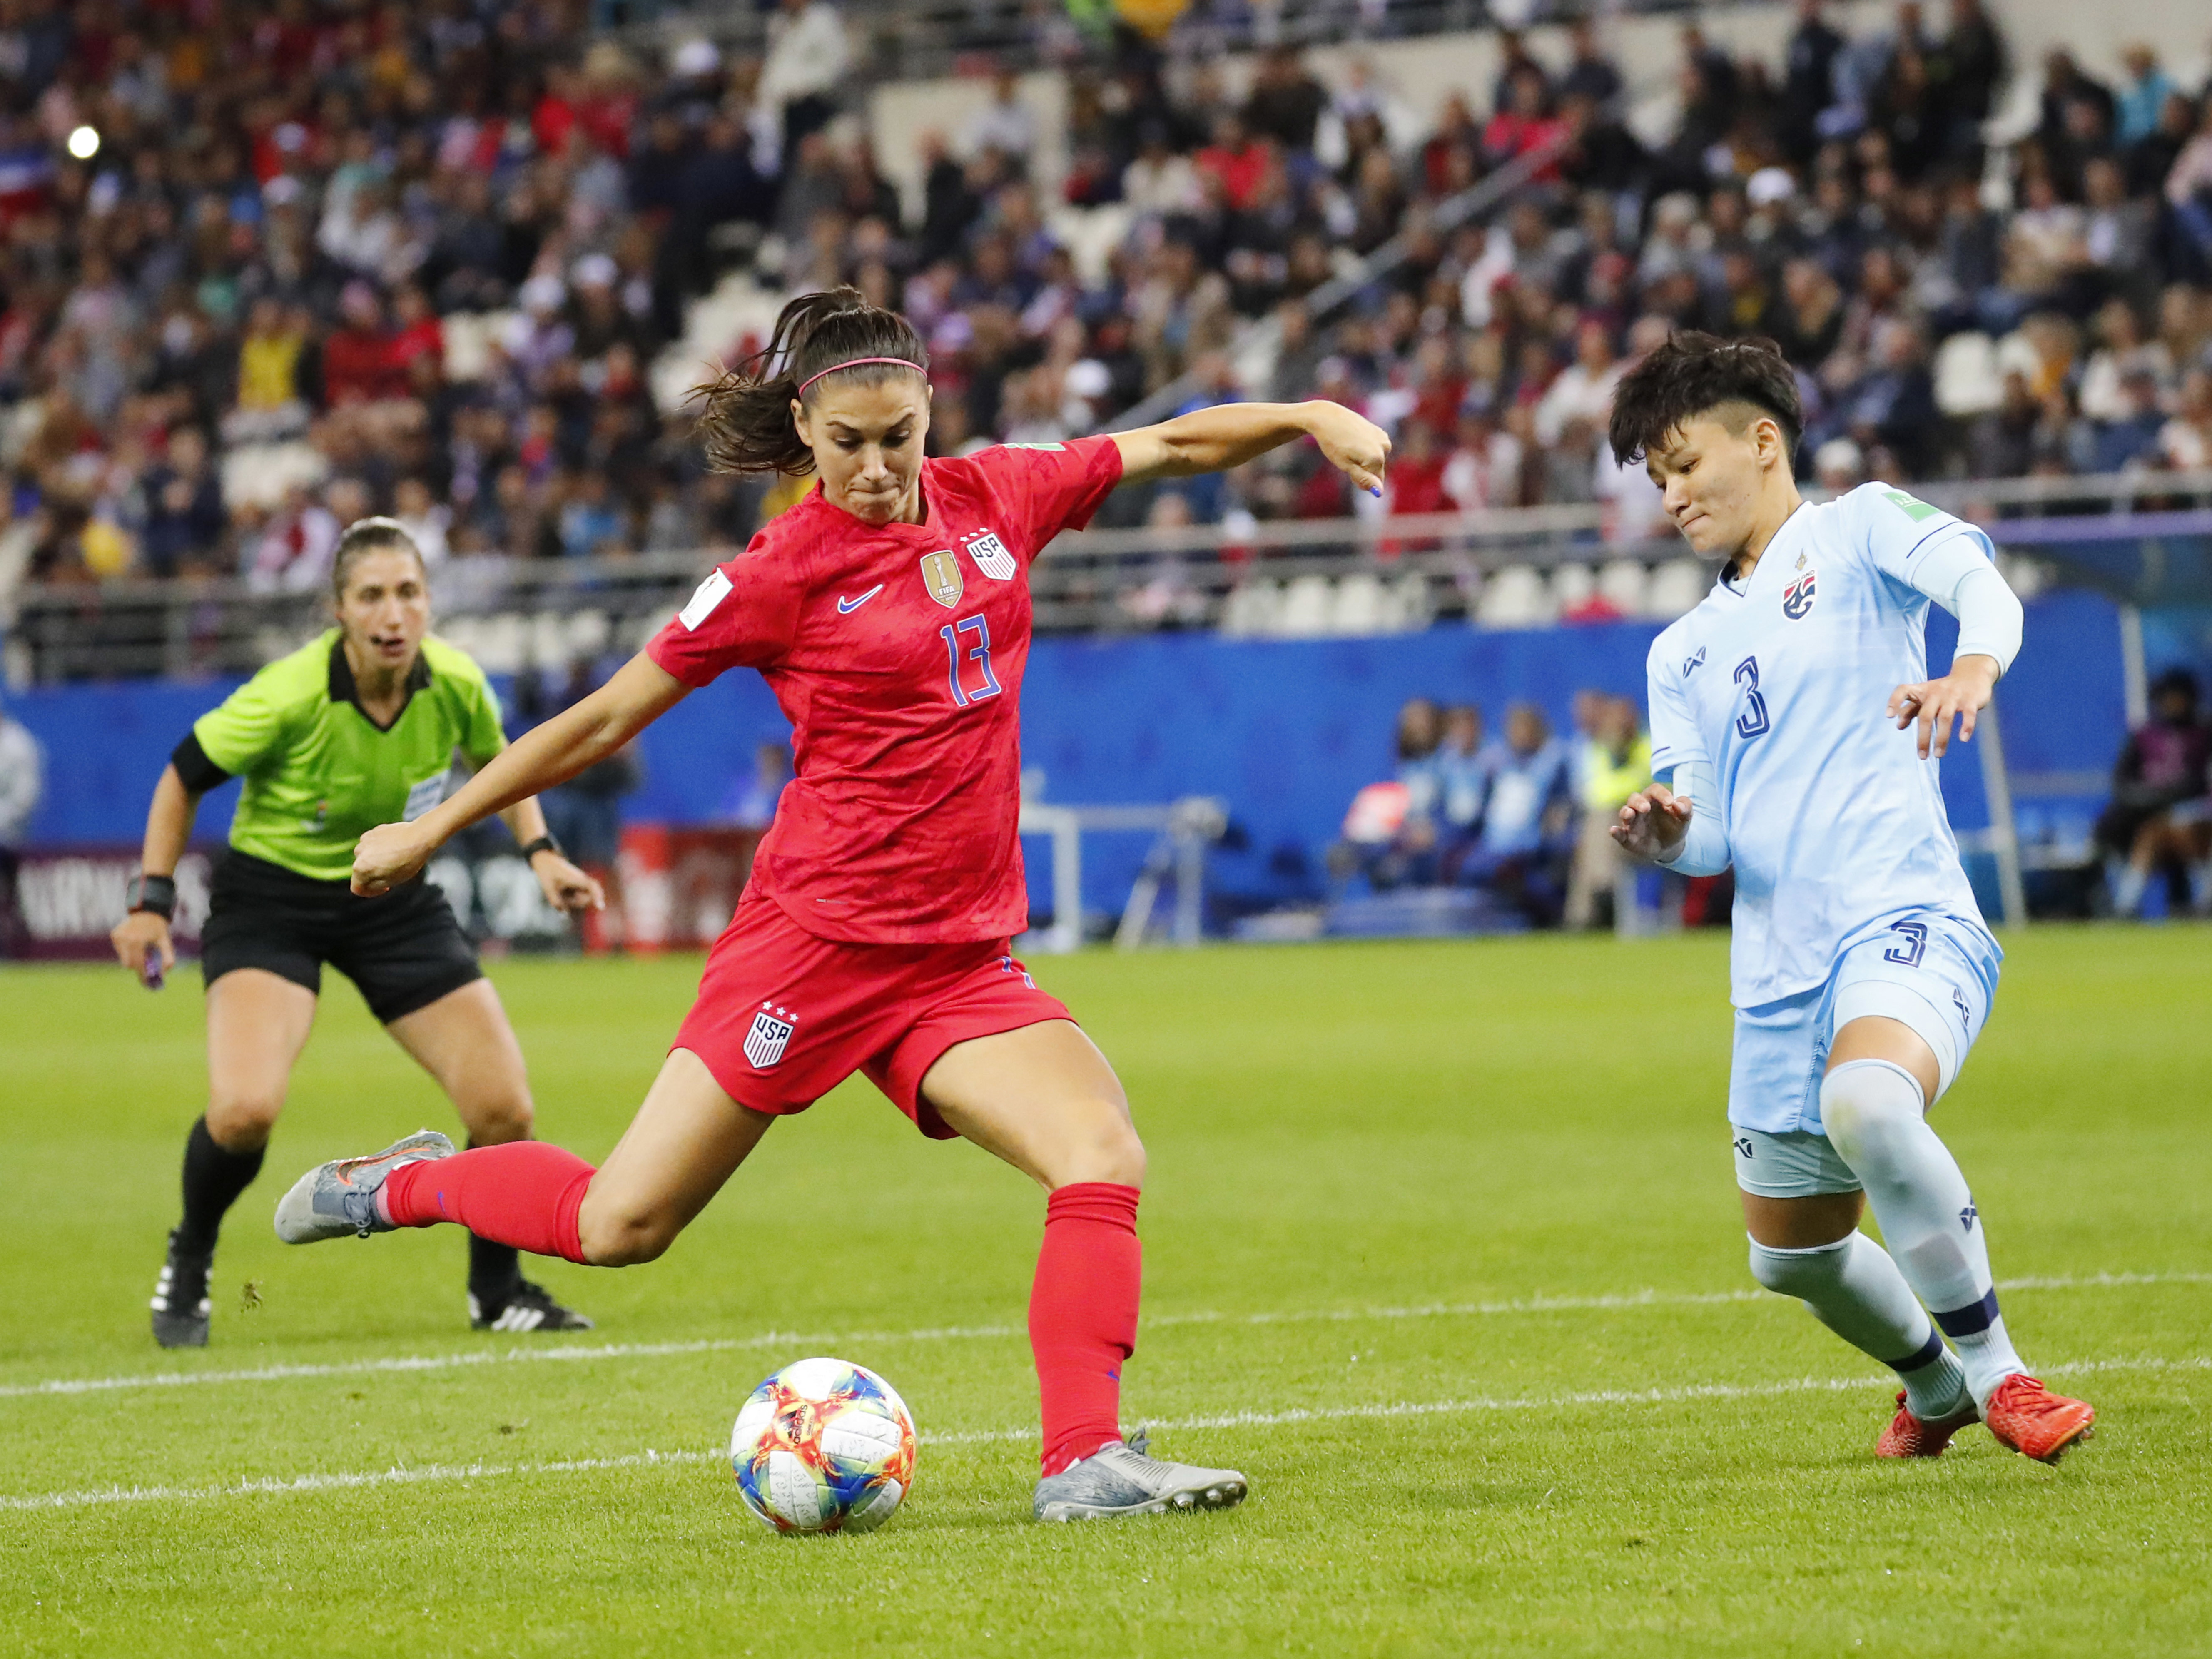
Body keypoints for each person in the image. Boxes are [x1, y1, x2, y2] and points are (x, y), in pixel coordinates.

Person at [272, 287, 1392, 1524]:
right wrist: (432, 826)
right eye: (847, 442)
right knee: (618, 1222)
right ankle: (405, 1183)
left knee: (1100, 1149)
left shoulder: (999, 494)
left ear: (928, 417)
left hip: (958, 961)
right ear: (804, 427)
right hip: (811, 950)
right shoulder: (778, 570)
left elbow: (1173, 443)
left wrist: (1305, 414)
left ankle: (1084, 1458)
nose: (874, 466)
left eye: (898, 436)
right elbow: (604, 716)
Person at [1605, 332, 2094, 1464]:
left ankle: (2001, 1373)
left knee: (1870, 1105)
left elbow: (1981, 583)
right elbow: (1713, 834)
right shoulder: (1682, 653)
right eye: (1658, 477)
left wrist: (1973, 666)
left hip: (1903, 911)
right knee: (1790, 1255)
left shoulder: (1859, 526)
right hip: (1776, 966)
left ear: (1763, 441)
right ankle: (1934, 1385)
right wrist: (1669, 836)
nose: (1672, 495)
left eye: (1686, 464)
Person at [110, 518, 606, 1348]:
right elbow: (181, 776)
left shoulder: (454, 680)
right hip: (272, 903)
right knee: (243, 1114)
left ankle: (497, 1292)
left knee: (503, 1107)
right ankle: (191, 1254)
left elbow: (501, 767)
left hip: (394, 900)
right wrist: (151, 899)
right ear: (339, 609)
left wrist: (543, 854)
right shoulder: (287, 694)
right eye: (371, 595)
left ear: (428, 603)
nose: (392, 612)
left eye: (408, 593)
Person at [2095, 668, 2211, 917]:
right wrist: (2152, 799)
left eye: (2179, 697)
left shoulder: (2204, 732)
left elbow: (2200, 783)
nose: (2174, 704)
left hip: (2199, 811)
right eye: (2169, 697)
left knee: (2183, 828)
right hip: (2152, 814)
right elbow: (2122, 784)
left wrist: (2182, 793)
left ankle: (2205, 897)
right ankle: (2125, 906)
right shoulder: (2144, 736)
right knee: (2150, 834)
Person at [1564, 696, 1651, 930]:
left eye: (1624, 719)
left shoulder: (1647, 745)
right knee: (1596, 828)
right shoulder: (1599, 750)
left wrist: (1619, 792)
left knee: (1601, 823)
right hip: (1613, 828)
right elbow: (1595, 791)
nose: (1619, 726)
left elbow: (1643, 782)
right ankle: (1588, 912)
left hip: (1652, 827)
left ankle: (1589, 911)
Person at [0, 697, 44, 957]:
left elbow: (25, 799)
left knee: (10, 896)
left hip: (9, 838)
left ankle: (16, 950)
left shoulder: (18, 746)